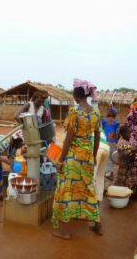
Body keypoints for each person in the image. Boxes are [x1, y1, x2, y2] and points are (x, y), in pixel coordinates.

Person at [52, 79, 102, 239]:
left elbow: (68, 139)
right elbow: (98, 136)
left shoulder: (75, 112)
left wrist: (60, 160)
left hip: (73, 157)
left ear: (76, 95)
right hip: (87, 155)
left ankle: (63, 230)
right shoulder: (96, 112)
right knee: (87, 188)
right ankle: (97, 224)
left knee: (66, 189)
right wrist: (93, 156)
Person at [114, 125, 137, 198]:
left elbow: (134, 147)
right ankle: (122, 195)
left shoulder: (131, 139)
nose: (130, 134)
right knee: (122, 180)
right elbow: (124, 153)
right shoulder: (120, 143)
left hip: (131, 164)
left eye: (130, 132)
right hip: (123, 164)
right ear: (123, 134)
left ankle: (133, 195)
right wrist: (133, 150)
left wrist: (134, 150)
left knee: (133, 179)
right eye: (128, 133)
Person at [102, 106, 120, 178]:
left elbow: (116, 132)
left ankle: (107, 172)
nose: (110, 118)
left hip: (108, 141)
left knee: (108, 157)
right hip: (108, 141)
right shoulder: (113, 122)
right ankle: (107, 172)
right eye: (109, 116)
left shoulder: (114, 123)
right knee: (108, 157)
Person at [93, 130, 110, 202]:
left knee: (92, 175)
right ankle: (98, 198)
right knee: (100, 175)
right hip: (106, 148)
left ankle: (91, 199)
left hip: (97, 148)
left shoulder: (87, 124)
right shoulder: (101, 129)